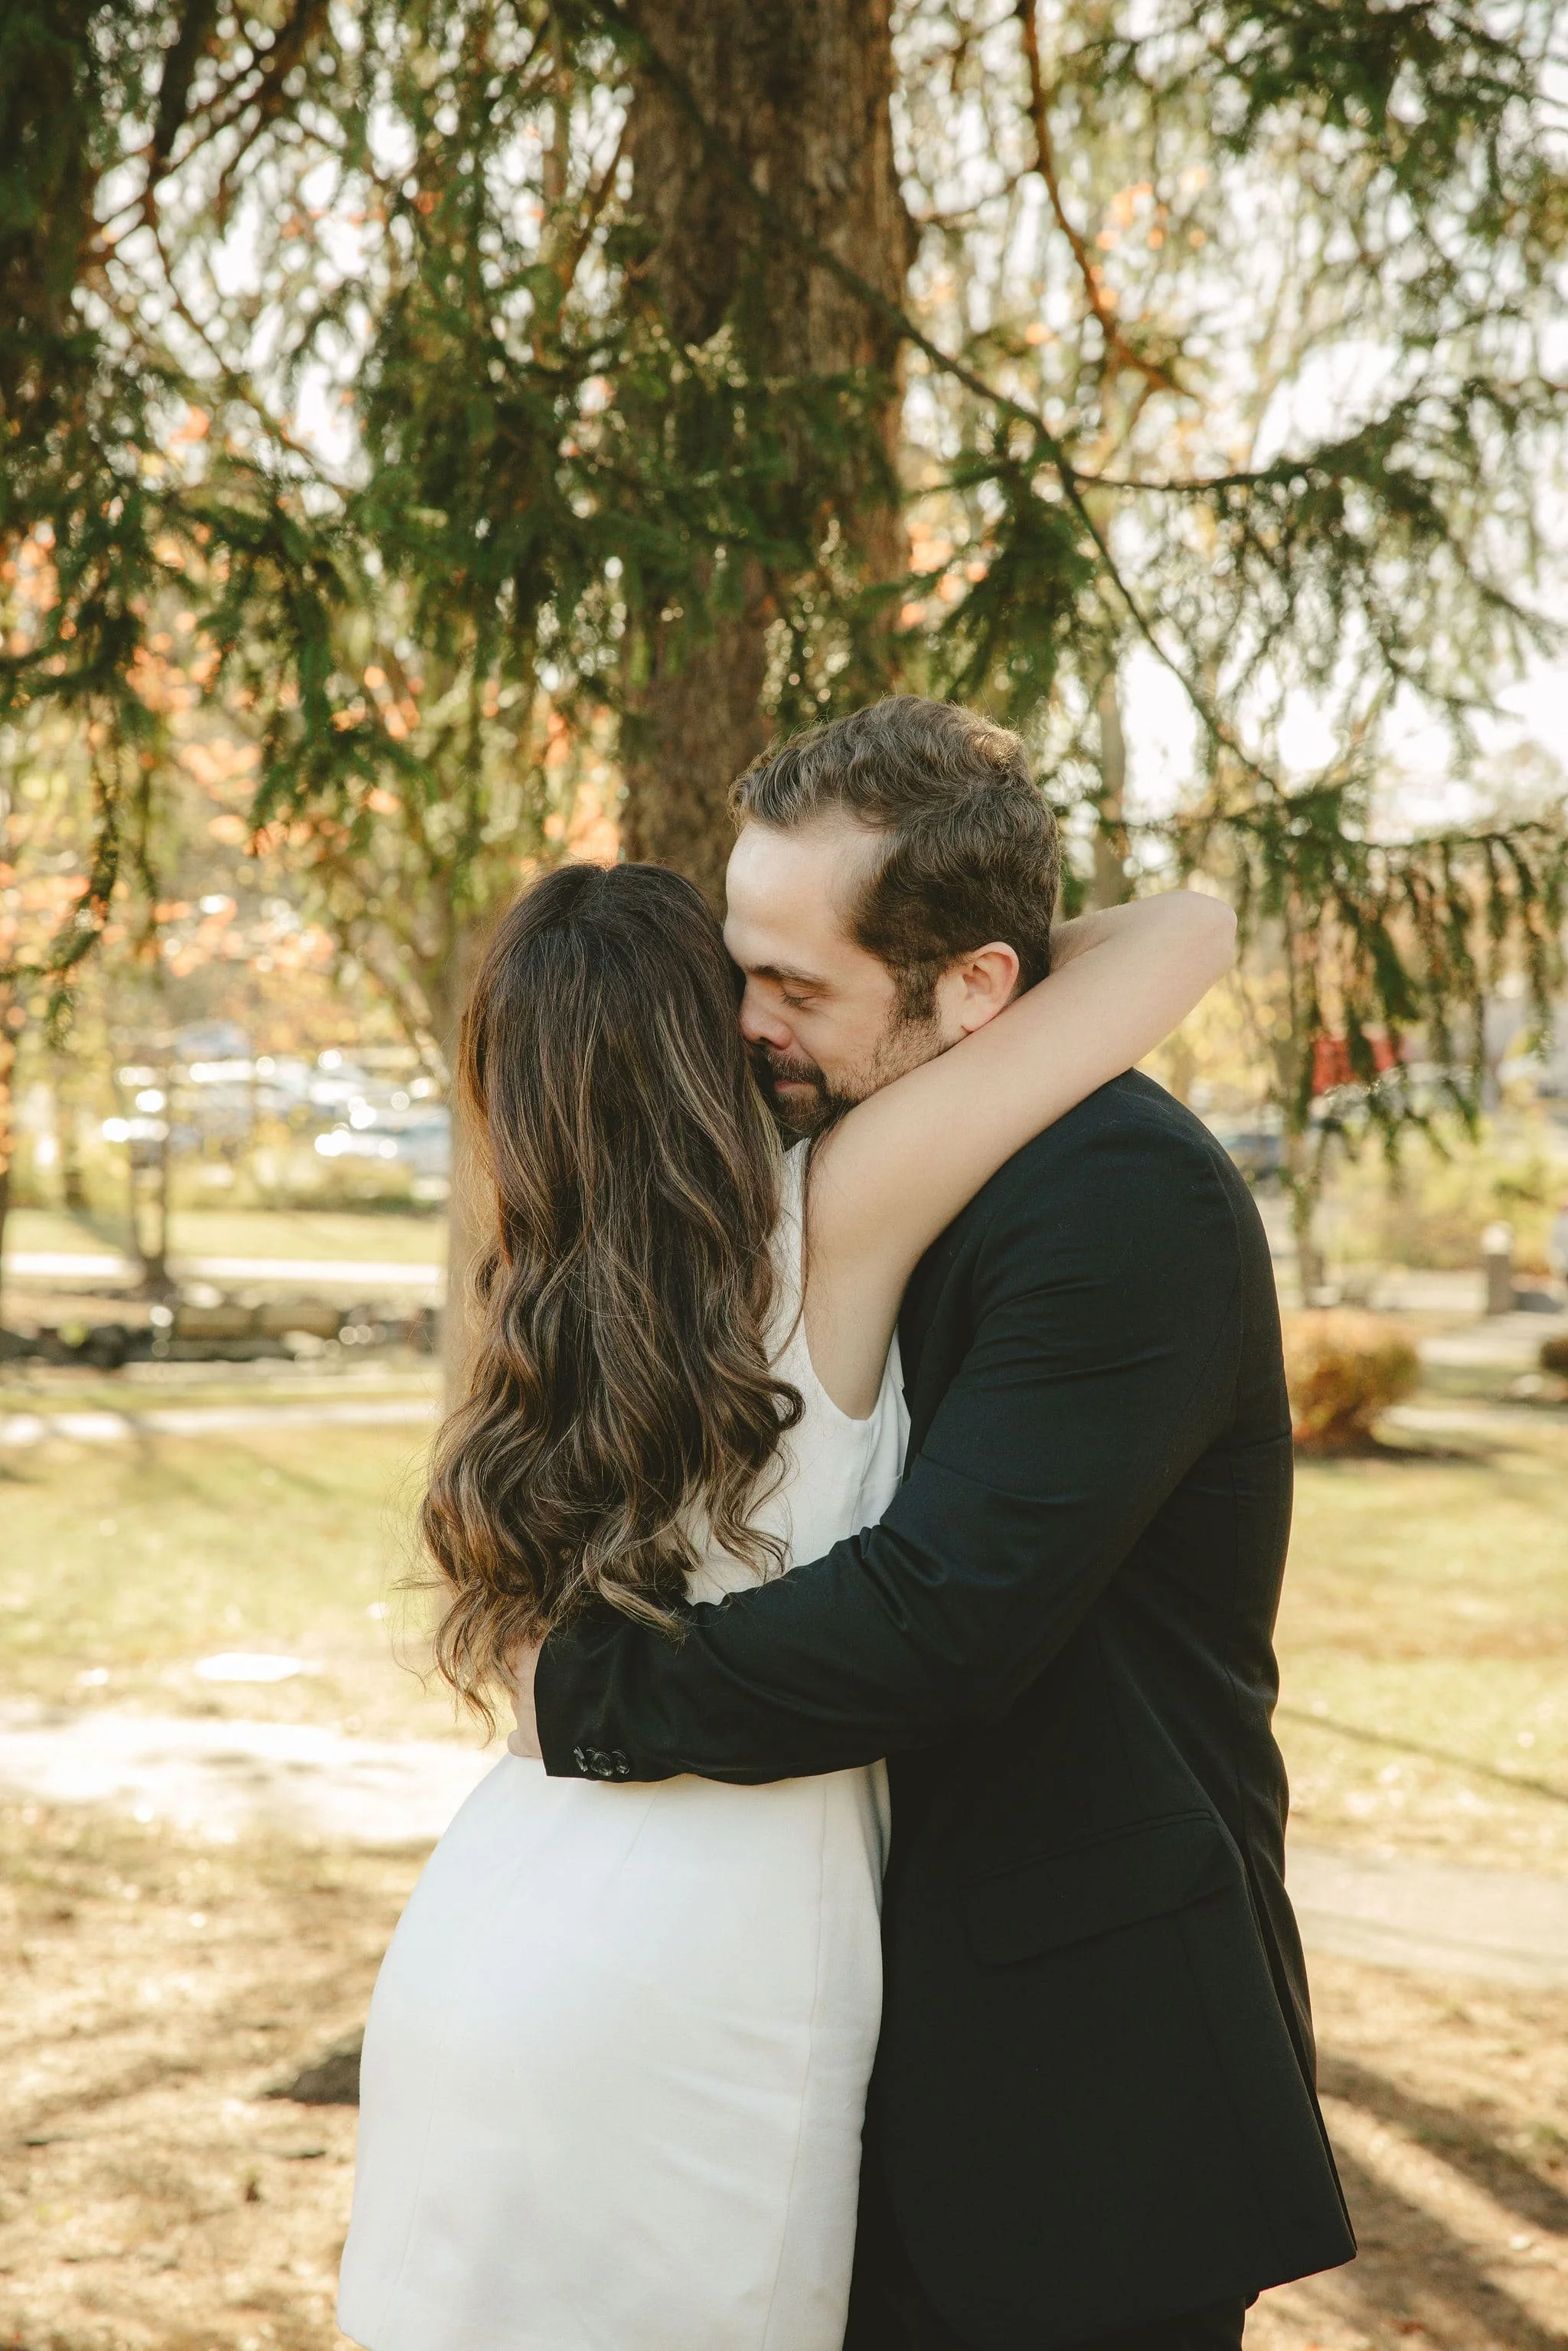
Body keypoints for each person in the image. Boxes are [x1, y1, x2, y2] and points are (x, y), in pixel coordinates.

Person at [337, 697, 1245, 2351]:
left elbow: (939, 1614)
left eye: (794, 981)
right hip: (707, 1950)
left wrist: (582, 1694)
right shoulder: (826, 1210)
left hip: (518, 1918)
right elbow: (1184, 928)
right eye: (734, 979)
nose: (760, 1022)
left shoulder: (554, 1294)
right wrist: (1036, 940)